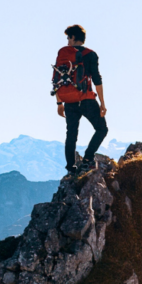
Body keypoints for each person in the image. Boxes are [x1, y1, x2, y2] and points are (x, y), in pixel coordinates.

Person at [52, 24, 108, 176]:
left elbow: (58, 79)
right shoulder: (91, 55)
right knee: (102, 129)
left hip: (69, 102)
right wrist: (102, 103)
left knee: (71, 134)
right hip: (86, 100)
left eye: (68, 37)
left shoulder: (63, 56)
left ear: (73, 37)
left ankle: (71, 168)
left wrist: (59, 103)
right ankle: (88, 159)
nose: (67, 41)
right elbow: (97, 80)